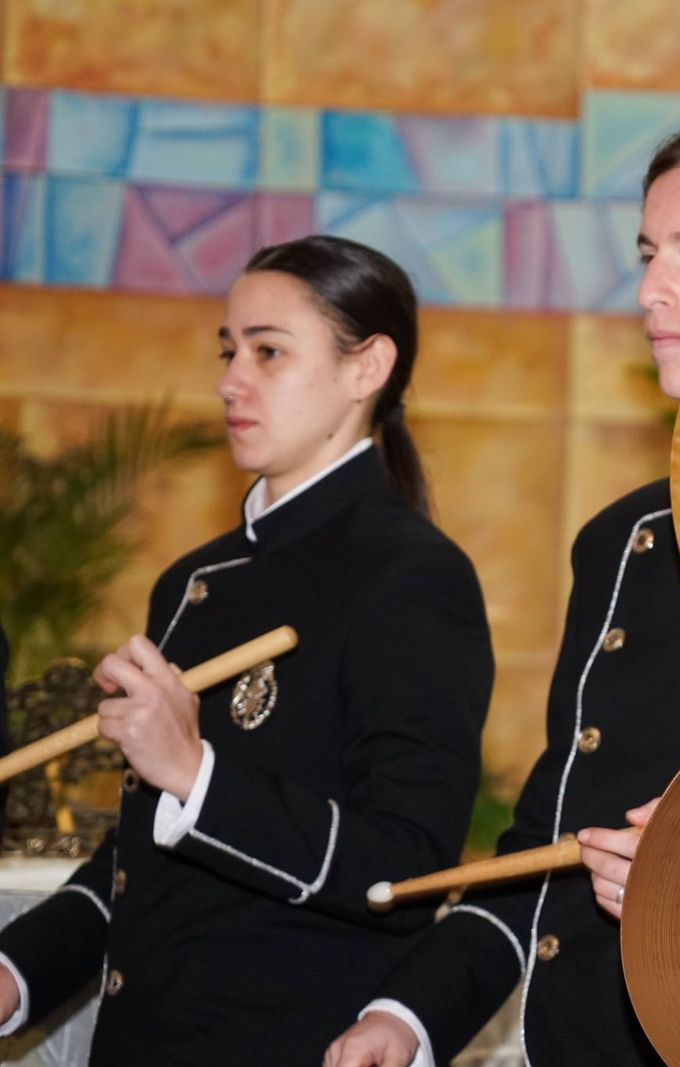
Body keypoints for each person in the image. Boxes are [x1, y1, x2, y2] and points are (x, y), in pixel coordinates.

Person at [323, 116, 680, 1067]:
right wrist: (407, 1018)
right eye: (650, 253)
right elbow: (550, 843)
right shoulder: (625, 540)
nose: (652, 289)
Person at [0, 235, 494, 1064]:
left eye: (269, 351)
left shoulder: (415, 576)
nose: (231, 379)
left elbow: (402, 869)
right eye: (230, 350)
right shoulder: (193, 581)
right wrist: (18, 969)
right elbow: (143, 859)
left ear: (367, 366)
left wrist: (195, 772)